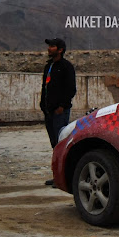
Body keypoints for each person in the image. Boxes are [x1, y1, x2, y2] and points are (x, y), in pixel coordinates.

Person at [40, 38, 76, 185]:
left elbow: (71, 89)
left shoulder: (66, 67)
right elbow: (45, 88)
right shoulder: (49, 66)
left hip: (59, 112)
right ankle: (57, 177)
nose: (49, 48)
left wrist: (62, 106)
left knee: (61, 144)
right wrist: (43, 105)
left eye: (52, 46)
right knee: (55, 144)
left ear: (60, 50)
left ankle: (63, 178)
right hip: (49, 112)